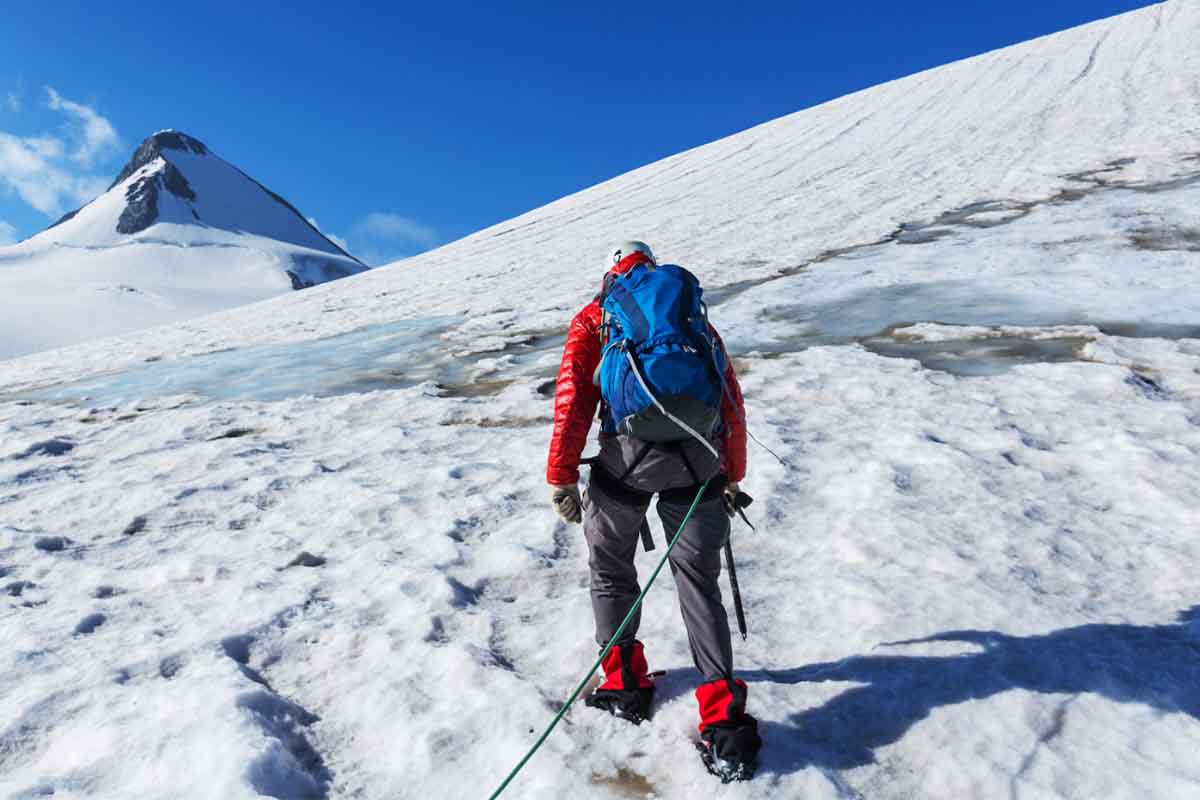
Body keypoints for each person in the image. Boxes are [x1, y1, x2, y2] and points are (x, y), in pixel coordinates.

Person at [546, 240, 762, 780]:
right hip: (699, 462)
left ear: (611, 272)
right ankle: (722, 719)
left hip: (627, 463)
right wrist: (732, 473)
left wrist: (562, 474)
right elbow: (728, 396)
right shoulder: (692, 315)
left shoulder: (598, 316)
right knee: (698, 582)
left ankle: (623, 685)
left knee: (612, 568)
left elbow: (575, 398)